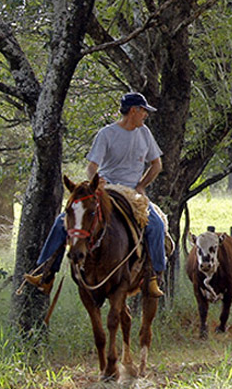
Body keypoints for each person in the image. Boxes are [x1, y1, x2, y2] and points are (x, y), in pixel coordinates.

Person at [23, 92, 167, 297]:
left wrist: (142, 185)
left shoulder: (145, 133)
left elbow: (156, 165)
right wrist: (97, 182)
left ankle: (154, 276)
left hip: (132, 193)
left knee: (156, 225)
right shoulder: (106, 134)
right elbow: (91, 167)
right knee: (62, 222)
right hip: (107, 189)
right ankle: (45, 273)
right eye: (143, 111)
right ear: (133, 111)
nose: (146, 115)